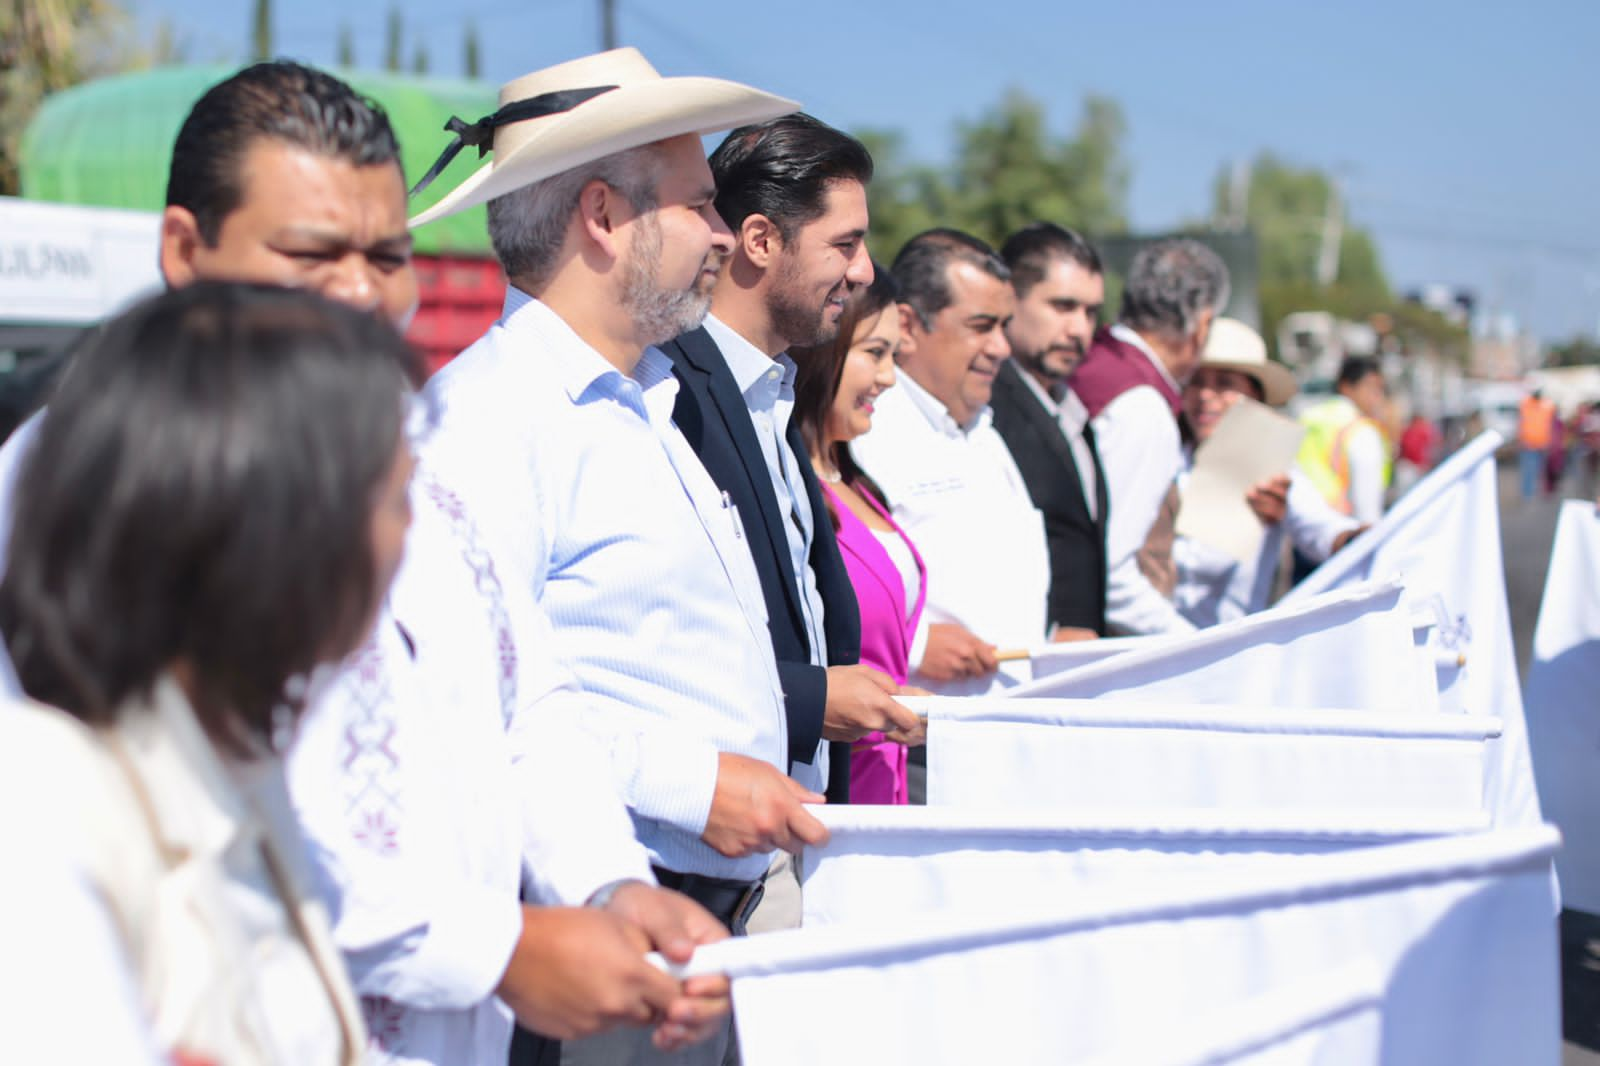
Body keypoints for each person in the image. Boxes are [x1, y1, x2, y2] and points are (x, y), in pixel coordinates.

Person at [1, 61, 730, 1065]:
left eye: (387, 254)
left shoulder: (421, 455)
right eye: (312, 251)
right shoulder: (92, 474)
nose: (358, 292)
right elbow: (120, 821)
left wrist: (607, 883)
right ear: (184, 248)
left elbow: (527, 704)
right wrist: (496, 949)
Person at [406, 48, 823, 1066]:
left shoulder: (644, 401)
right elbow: (487, 700)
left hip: (685, 910)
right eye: (698, 205)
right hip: (603, 934)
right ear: (602, 217)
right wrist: (691, 785)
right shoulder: (488, 424)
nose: (725, 235)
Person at [0, 282, 418, 1064]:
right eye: (396, 496)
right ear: (279, 531)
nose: (413, 530)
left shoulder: (241, 774)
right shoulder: (39, 807)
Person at [850, 228, 1047, 691]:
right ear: (909, 327)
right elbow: (827, 580)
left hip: (1006, 726)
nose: (1001, 346)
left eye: (1004, 325)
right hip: (916, 740)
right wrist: (914, 644)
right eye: (981, 326)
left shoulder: (985, 432)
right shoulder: (866, 429)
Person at [791, 268, 926, 804]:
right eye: (874, 353)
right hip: (835, 786)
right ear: (825, 351)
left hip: (887, 781)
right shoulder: (789, 487)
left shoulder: (856, 483)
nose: (890, 377)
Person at [1072, 238, 1231, 636]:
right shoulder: (1141, 407)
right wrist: (1192, 647)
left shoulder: (1094, 362)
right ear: (1203, 325)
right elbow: (1112, 572)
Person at [1172, 318, 1362, 626]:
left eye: (1224, 384)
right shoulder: (1165, 456)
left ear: (1254, 396)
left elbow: (1320, 529)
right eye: (1196, 381)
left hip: (1227, 656)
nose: (1206, 395)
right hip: (1149, 653)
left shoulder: (1273, 469)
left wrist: (1358, 538)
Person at [993, 222, 1110, 637]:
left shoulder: (1074, 412)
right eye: (1063, 306)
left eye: (1091, 312)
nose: (1079, 329)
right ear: (1009, 299)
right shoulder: (985, 410)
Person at [1296, 355, 1392, 522]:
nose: (1377, 397)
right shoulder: (1360, 429)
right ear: (1346, 387)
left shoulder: (1308, 417)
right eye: (1371, 387)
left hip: (1302, 525)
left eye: (1379, 389)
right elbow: (1367, 506)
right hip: (1342, 529)